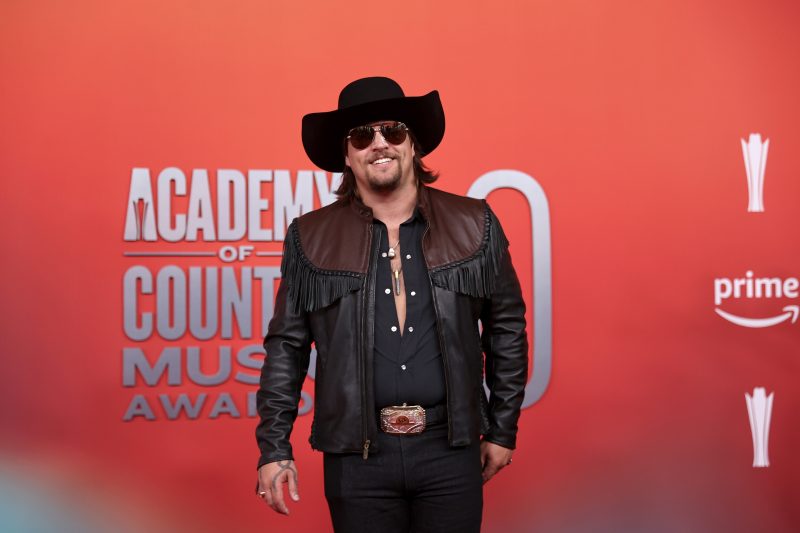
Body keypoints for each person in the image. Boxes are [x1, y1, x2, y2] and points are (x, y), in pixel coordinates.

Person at [255, 76, 528, 533]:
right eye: (362, 136)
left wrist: (502, 429)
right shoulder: (310, 237)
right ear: (347, 155)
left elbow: (506, 329)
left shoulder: (474, 222)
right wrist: (274, 447)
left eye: (393, 131)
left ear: (412, 144)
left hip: (449, 450)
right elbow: (286, 347)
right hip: (357, 460)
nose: (379, 144)